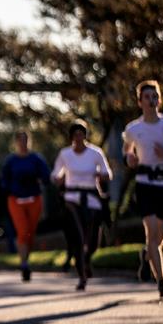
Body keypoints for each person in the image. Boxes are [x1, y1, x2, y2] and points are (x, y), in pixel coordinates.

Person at [122, 80, 163, 298]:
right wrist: (129, 158)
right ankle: (162, 281)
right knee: (151, 235)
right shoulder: (133, 129)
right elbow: (127, 153)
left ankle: (146, 256)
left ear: (160, 99)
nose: (152, 100)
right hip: (145, 183)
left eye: (155, 96)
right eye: (147, 96)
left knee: (159, 240)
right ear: (140, 102)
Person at [52, 120, 113, 290]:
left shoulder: (95, 153)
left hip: (91, 197)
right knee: (78, 238)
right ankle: (82, 276)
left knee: (93, 241)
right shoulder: (65, 154)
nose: (78, 138)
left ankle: (87, 259)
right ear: (71, 137)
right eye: (75, 135)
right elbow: (55, 172)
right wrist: (57, 179)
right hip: (72, 197)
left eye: (81, 134)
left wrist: (101, 175)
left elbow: (108, 172)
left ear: (85, 136)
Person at [1, 131, 51, 282]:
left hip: (34, 199)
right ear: (16, 142)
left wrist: (37, 179)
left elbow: (46, 177)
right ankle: (24, 264)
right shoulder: (11, 161)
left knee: (30, 232)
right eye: (20, 140)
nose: (23, 143)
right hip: (16, 200)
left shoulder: (36, 159)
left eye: (25, 139)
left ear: (29, 141)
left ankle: (25, 259)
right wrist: (9, 189)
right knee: (22, 231)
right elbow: (4, 181)